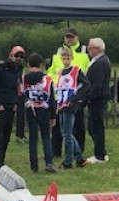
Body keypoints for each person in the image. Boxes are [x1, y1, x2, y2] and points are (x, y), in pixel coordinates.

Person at [47, 27, 90, 156]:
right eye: (67, 37)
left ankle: (78, 150)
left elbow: (87, 72)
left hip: (76, 95)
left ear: (77, 38)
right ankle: (56, 151)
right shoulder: (57, 53)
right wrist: (54, 83)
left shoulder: (84, 52)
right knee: (57, 126)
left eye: (72, 37)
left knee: (78, 125)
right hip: (59, 95)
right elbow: (51, 71)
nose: (69, 39)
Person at [21, 53, 57, 173]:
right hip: (44, 110)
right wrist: (53, 115)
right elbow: (52, 98)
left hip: (30, 109)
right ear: (41, 65)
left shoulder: (24, 79)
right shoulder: (47, 79)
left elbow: (22, 95)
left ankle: (34, 166)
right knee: (46, 137)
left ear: (28, 64)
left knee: (33, 138)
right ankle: (49, 163)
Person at [55, 48, 90, 169]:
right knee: (65, 132)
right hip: (61, 104)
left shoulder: (76, 71)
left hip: (71, 104)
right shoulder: (60, 72)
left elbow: (86, 85)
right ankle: (80, 158)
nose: (66, 61)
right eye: (64, 58)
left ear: (71, 58)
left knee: (67, 133)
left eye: (68, 58)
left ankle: (68, 161)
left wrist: (76, 98)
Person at [85, 37, 111, 164]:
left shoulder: (101, 62)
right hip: (97, 98)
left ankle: (99, 155)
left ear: (98, 48)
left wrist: (90, 97)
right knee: (92, 126)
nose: (89, 49)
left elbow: (97, 83)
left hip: (98, 99)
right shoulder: (98, 61)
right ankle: (101, 151)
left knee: (96, 127)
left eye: (91, 47)